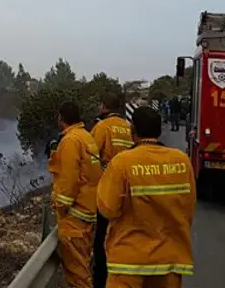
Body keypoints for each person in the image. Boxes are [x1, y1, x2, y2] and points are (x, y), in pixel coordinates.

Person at [97, 106, 196, 288]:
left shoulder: (122, 162)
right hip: (169, 260)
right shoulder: (182, 161)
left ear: (132, 130)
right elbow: (188, 208)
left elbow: (107, 209)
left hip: (128, 262)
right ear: (159, 129)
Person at [49, 101, 103, 288]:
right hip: (89, 211)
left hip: (75, 218)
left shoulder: (70, 141)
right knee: (84, 267)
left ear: (60, 118)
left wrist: (61, 208)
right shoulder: (86, 136)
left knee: (77, 274)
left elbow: (69, 180)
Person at [90, 92, 133, 288]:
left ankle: (102, 276)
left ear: (104, 107)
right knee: (122, 232)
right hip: (129, 188)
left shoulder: (102, 127)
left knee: (102, 234)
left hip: (108, 187)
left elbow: (91, 157)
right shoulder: (128, 127)